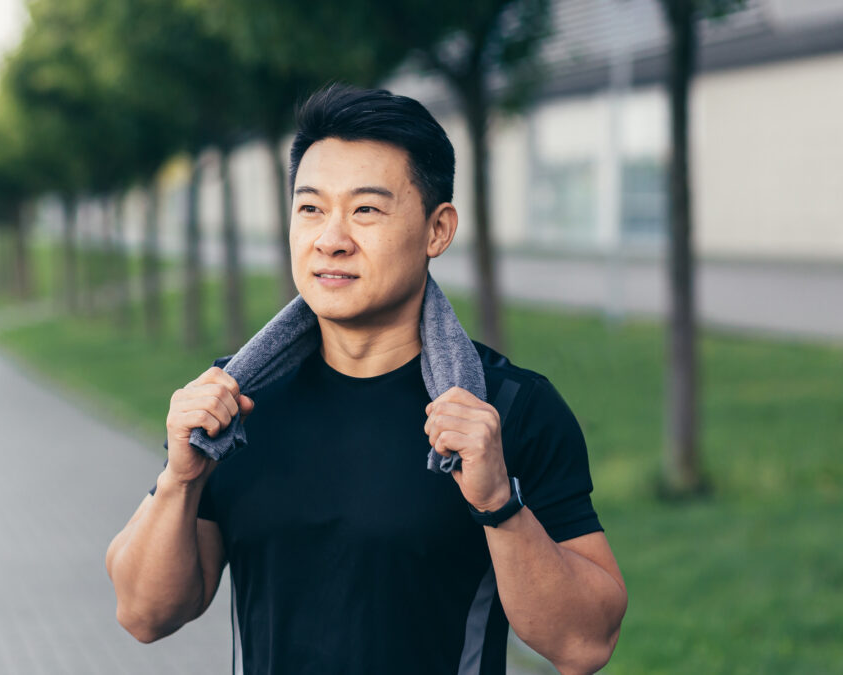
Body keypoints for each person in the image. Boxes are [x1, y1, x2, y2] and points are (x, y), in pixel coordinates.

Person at [106, 84, 627, 674]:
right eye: (311, 208)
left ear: (438, 230)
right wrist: (180, 478)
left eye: (366, 210)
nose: (331, 239)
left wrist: (499, 504)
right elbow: (144, 613)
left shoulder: (503, 408)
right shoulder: (237, 400)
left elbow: (587, 644)